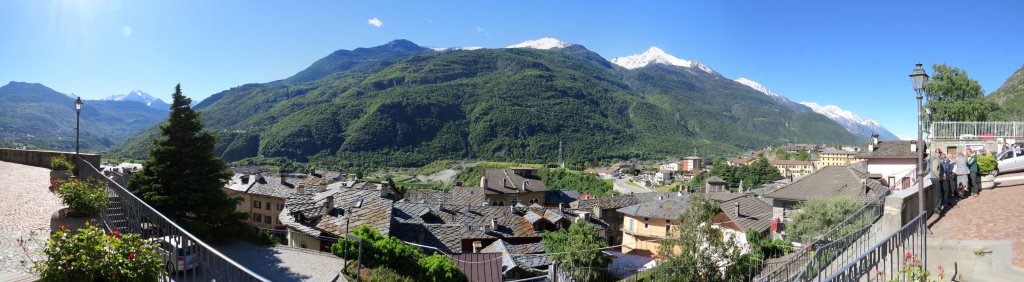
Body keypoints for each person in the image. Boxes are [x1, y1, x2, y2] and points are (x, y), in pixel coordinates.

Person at [927, 149, 945, 213]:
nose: (939, 154)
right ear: (936, 153)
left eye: (940, 152)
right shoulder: (935, 159)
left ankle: (937, 208)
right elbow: (934, 170)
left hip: (934, 178)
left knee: (939, 193)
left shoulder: (935, 159)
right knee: (938, 194)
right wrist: (939, 177)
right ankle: (937, 208)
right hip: (935, 178)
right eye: (938, 152)